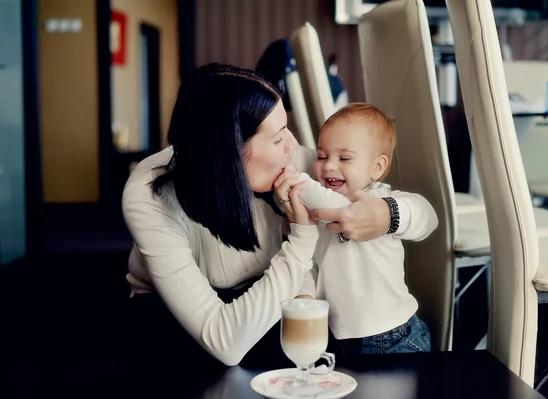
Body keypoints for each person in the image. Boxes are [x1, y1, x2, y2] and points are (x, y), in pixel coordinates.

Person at [122, 64, 401, 370]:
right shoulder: (149, 195)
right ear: (232, 148)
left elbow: (422, 214)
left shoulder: (286, 161)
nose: (293, 148)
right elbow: (224, 342)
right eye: (279, 137)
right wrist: (302, 237)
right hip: (176, 317)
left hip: (256, 297)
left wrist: (390, 213)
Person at [295, 103, 438, 354]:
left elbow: (426, 216)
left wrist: (389, 214)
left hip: (393, 336)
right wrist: (305, 296)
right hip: (337, 337)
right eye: (321, 156)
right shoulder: (319, 208)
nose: (328, 166)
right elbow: (311, 264)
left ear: (377, 167)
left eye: (345, 158)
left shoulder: (379, 198)